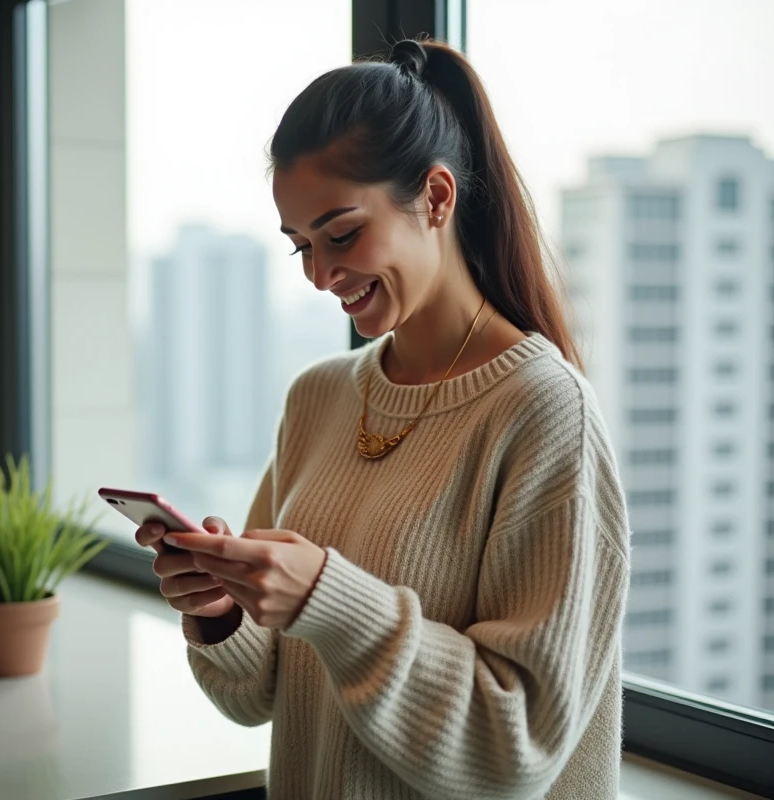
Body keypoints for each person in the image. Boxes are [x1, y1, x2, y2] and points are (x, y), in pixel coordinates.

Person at [135, 38, 629, 800]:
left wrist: (326, 600)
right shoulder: (318, 398)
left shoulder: (544, 411)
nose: (320, 275)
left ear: (436, 198)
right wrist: (222, 609)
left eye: (340, 234)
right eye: (301, 246)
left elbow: (514, 749)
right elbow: (257, 694)